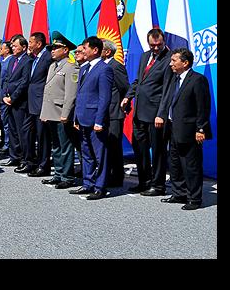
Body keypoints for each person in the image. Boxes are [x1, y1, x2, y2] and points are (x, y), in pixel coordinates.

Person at [156, 48, 212, 210]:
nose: (171, 64)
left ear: (185, 63)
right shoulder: (175, 79)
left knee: (191, 164)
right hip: (174, 128)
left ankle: (194, 198)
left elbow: (203, 106)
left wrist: (201, 129)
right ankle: (179, 193)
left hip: (190, 130)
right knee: (175, 163)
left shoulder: (197, 80)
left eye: (174, 60)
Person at [122, 28, 173, 196]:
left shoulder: (169, 60)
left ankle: (158, 186)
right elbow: (138, 81)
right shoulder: (145, 56)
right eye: (153, 45)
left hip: (156, 114)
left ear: (164, 42)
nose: (156, 48)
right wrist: (128, 97)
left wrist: (162, 114)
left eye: (159, 45)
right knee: (140, 148)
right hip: (139, 112)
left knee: (158, 150)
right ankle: (144, 182)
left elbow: (167, 90)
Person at [70, 37, 113, 200]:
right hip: (82, 117)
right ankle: (88, 182)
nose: (82, 51)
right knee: (86, 152)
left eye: (85, 48)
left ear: (95, 50)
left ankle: (100, 186)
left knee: (100, 154)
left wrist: (99, 121)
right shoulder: (84, 68)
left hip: (95, 119)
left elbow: (104, 97)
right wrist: (75, 117)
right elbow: (80, 94)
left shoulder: (104, 69)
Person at [40, 31, 80, 188]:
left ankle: (67, 176)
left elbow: (71, 94)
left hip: (61, 112)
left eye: (56, 48)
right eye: (52, 48)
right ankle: (57, 173)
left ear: (65, 50)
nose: (52, 50)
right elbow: (47, 90)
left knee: (65, 146)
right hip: (50, 111)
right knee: (55, 145)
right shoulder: (52, 66)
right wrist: (44, 112)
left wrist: (66, 114)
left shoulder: (71, 67)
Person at [101, 39, 130, 188]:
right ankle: (106, 174)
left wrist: (124, 106)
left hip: (114, 113)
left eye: (100, 48)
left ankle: (117, 177)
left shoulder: (115, 66)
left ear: (107, 52)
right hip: (103, 113)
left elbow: (125, 87)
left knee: (114, 146)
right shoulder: (101, 66)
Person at [1, 35, 33, 171]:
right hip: (8, 100)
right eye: (12, 46)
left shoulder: (28, 61)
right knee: (12, 130)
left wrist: (13, 98)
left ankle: (24, 159)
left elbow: (24, 82)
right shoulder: (12, 60)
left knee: (21, 132)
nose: (12, 48)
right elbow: (7, 79)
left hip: (20, 102)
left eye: (15, 46)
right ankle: (14, 156)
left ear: (24, 47)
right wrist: (4, 95)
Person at [26, 31, 53, 177]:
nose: (29, 45)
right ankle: (34, 161)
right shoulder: (33, 58)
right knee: (33, 134)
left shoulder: (47, 57)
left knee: (43, 136)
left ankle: (44, 165)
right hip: (31, 102)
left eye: (31, 42)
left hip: (41, 102)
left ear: (39, 43)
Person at [0, 41, 12, 156]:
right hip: (1, 96)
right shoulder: (3, 61)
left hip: (5, 96)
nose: (0, 51)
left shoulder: (9, 62)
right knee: (3, 121)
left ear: (7, 50)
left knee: (6, 122)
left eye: (2, 48)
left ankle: (8, 144)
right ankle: (4, 141)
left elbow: (6, 80)